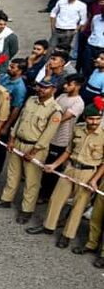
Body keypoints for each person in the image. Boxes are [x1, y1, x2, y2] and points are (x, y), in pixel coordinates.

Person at [28, 98, 104, 248]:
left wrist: (94, 180)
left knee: (78, 206)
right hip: (70, 168)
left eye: (98, 119)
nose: (94, 122)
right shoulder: (78, 128)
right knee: (56, 198)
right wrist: (54, 165)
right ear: (85, 118)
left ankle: (67, 236)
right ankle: (48, 227)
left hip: (88, 173)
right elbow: (68, 151)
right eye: (91, 118)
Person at [0, 79, 60, 223]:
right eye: (40, 86)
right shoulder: (31, 100)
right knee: (12, 174)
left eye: (46, 88)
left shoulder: (55, 110)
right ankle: (6, 200)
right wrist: (12, 138)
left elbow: (48, 134)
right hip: (18, 143)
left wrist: (33, 151)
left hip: (35, 148)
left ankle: (26, 210)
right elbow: (20, 119)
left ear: (53, 90)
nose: (41, 89)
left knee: (31, 181)